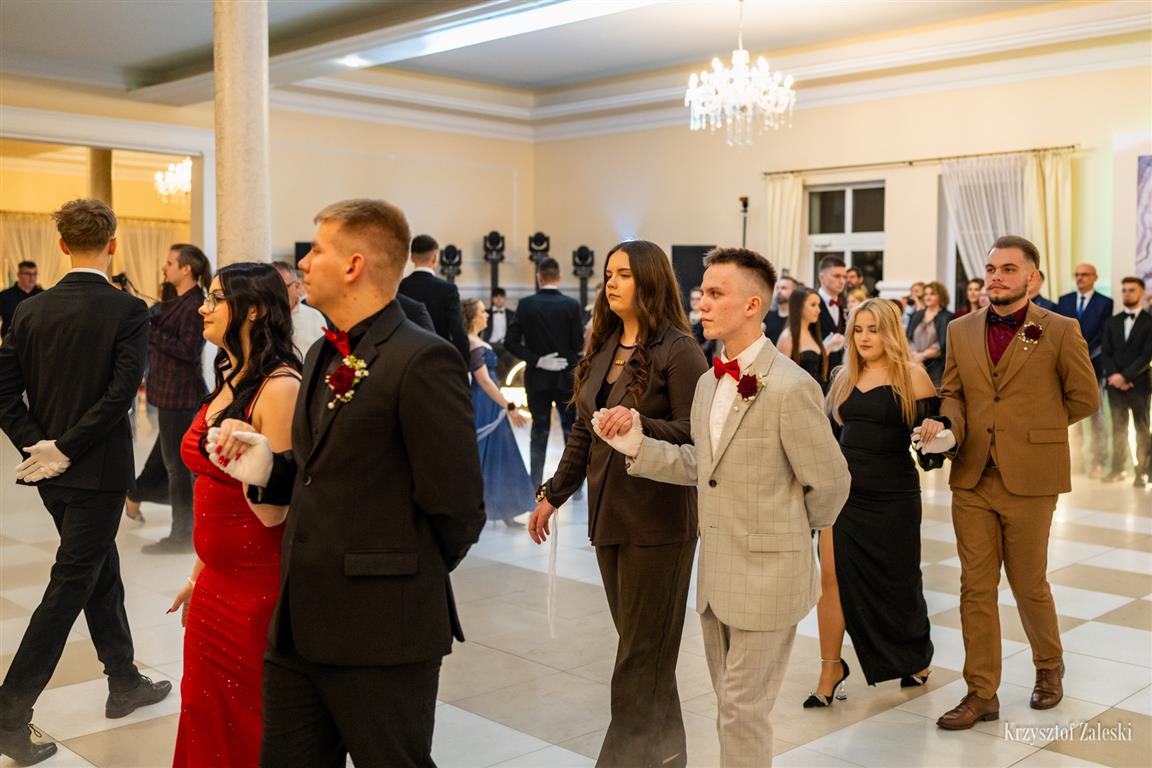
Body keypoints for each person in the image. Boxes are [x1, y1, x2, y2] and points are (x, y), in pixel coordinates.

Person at [211, 199, 485, 767]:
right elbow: (317, 469)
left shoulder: (423, 359)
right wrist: (267, 469)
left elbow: (458, 508)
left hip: (382, 630)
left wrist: (395, 577)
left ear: (355, 265)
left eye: (316, 251)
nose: (302, 264)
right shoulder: (319, 352)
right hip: (299, 624)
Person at [595, 247, 850, 768]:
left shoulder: (791, 386)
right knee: (729, 706)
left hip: (770, 573)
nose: (702, 304)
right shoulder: (710, 381)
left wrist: (785, 533)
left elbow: (830, 483)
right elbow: (700, 464)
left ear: (753, 304)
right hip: (717, 577)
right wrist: (637, 447)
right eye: (701, 293)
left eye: (715, 294)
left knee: (740, 711)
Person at [0, 199, 171, 765]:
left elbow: (3, 392)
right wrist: (65, 448)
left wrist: (41, 446)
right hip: (97, 471)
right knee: (72, 581)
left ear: (61, 245)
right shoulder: (129, 309)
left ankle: (123, 680)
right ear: (113, 244)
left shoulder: (30, 310)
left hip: (53, 474)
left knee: (100, 568)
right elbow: (121, 395)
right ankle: (8, 715)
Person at [528, 240, 707, 768]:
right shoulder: (604, 345)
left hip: (660, 520)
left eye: (624, 274)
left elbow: (696, 432)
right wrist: (553, 494)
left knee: (639, 657)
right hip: (609, 517)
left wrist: (639, 423)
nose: (611, 282)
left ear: (649, 280)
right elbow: (584, 430)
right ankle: (667, 757)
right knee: (643, 651)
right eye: (609, 273)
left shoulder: (679, 349)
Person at [919, 235, 1098, 731]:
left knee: (1028, 583)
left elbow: (1085, 397)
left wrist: (1032, 432)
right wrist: (951, 427)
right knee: (975, 588)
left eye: (1009, 269)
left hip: (1032, 478)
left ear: (1032, 278)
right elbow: (953, 391)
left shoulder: (1059, 329)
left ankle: (1049, 666)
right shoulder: (960, 329)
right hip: (973, 475)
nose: (997, 277)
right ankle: (981, 692)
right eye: (992, 269)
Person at [168, 263, 301, 767]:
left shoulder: (280, 387)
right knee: (202, 709)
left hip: (256, 588)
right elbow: (214, 495)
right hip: (215, 584)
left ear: (256, 309)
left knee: (248, 720)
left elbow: (278, 510)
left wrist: (257, 467)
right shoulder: (231, 375)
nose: (202, 308)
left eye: (216, 298)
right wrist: (197, 575)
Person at [806, 298, 938, 708]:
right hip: (843, 493)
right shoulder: (843, 376)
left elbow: (930, 455)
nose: (864, 338)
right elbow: (829, 438)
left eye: (873, 330)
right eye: (858, 330)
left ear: (890, 333)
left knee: (899, 580)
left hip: (894, 495)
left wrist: (936, 431)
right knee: (831, 578)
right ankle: (830, 669)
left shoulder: (913, 376)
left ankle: (914, 656)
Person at [141, 244, 211, 554]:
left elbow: (188, 350)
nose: (164, 268)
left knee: (178, 469)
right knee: (171, 463)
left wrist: (150, 330)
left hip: (180, 395)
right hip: (169, 393)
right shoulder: (176, 299)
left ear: (186, 269)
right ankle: (138, 494)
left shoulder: (195, 304)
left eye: (170, 263)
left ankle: (181, 536)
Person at [505, 257, 585, 486]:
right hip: (565, 377)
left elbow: (511, 342)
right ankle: (574, 485)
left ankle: (535, 484)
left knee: (539, 432)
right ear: (559, 277)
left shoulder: (526, 305)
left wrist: (537, 360)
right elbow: (578, 344)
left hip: (537, 379)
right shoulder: (571, 305)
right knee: (570, 431)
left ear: (538, 277)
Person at [463, 297, 534, 526]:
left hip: (491, 401)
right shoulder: (472, 343)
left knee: (499, 452)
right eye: (482, 312)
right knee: (488, 453)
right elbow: (483, 380)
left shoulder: (475, 341)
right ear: (473, 316)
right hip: (484, 402)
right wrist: (509, 405)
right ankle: (489, 509)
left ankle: (503, 509)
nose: (486, 315)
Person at [1056, 263, 1113, 477]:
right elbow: (1059, 332)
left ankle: (1098, 462)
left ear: (1095, 277)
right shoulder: (1064, 301)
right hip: (1065, 367)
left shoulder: (1105, 303)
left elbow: (1103, 335)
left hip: (1093, 365)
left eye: (1085, 275)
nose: (1080, 278)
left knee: (1096, 415)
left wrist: (1081, 356)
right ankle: (1075, 462)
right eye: (1077, 274)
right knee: (1071, 415)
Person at [1100, 277, 1152, 485]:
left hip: (1139, 384)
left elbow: (1147, 355)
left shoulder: (1150, 322)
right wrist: (1116, 376)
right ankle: (1118, 469)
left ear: (1141, 292)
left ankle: (1143, 472)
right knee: (1118, 429)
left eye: (1131, 290)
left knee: (1142, 428)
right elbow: (1106, 353)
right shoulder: (1111, 322)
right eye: (1124, 290)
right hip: (1115, 385)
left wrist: (1126, 377)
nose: (1127, 294)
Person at [398, 234, 470, 362]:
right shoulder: (448, 289)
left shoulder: (400, 287)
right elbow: (457, 330)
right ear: (435, 257)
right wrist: (464, 363)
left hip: (405, 357)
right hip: (438, 357)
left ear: (412, 257)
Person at [777, 286, 829, 391]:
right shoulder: (788, 337)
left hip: (819, 395)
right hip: (798, 396)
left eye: (818, 305)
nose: (818, 310)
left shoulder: (813, 333)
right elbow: (780, 376)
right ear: (799, 306)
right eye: (813, 305)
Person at [273, 260, 328, 358]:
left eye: (282, 287)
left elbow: (325, 353)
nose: (277, 294)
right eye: (273, 289)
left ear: (297, 285)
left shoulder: (314, 316)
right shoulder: (264, 317)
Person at [906, 281, 955, 389]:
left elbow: (943, 344)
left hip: (936, 367)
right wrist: (915, 357)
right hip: (914, 364)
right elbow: (908, 338)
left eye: (932, 294)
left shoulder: (947, 317)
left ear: (941, 296)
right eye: (926, 294)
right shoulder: (917, 315)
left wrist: (922, 356)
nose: (928, 297)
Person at [815, 256, 848, 369]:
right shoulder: (811, 303)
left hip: (839, 368)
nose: (842, 281)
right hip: (817, 369)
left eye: (844, 277)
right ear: (822, 277)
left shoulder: (842, 303)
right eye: (837, 276)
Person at [481, 286, 519, 382]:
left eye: (501, 297)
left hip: (506, 345)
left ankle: (504, 384)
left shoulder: (512, 314)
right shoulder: (486, 314)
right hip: (490, 344)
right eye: (496, 297)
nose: (498, 299)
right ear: (492, 299)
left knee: (509, 367)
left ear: (505, 299)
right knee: (491, 367)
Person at [0, 261, 42, 336]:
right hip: (12, 339)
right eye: (27, 274)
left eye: (34, 274)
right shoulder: (5, 295)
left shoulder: (42, 295)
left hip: (37, 338)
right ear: (18, 275)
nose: (32, 278)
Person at [762, 275, 793, 344]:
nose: (779, 291)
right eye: (777, 288)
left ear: (794, 292)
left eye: (783, 288)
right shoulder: (767, 315)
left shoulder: (797, 319)